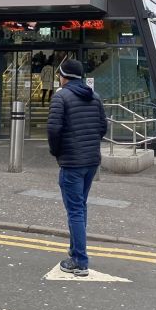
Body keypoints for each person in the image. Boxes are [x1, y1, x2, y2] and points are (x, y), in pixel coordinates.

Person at [47, 59, 107, 276]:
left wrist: (56, 152)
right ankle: (74, 252)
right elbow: (103, 127)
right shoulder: (95, 97)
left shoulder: (61, 97)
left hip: (72, 162)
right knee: (80, 207)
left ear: (64, 76)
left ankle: (80, 261)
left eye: (60, 74)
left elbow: (53, 130)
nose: (59, 78)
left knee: (75, 210)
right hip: (91, 161)